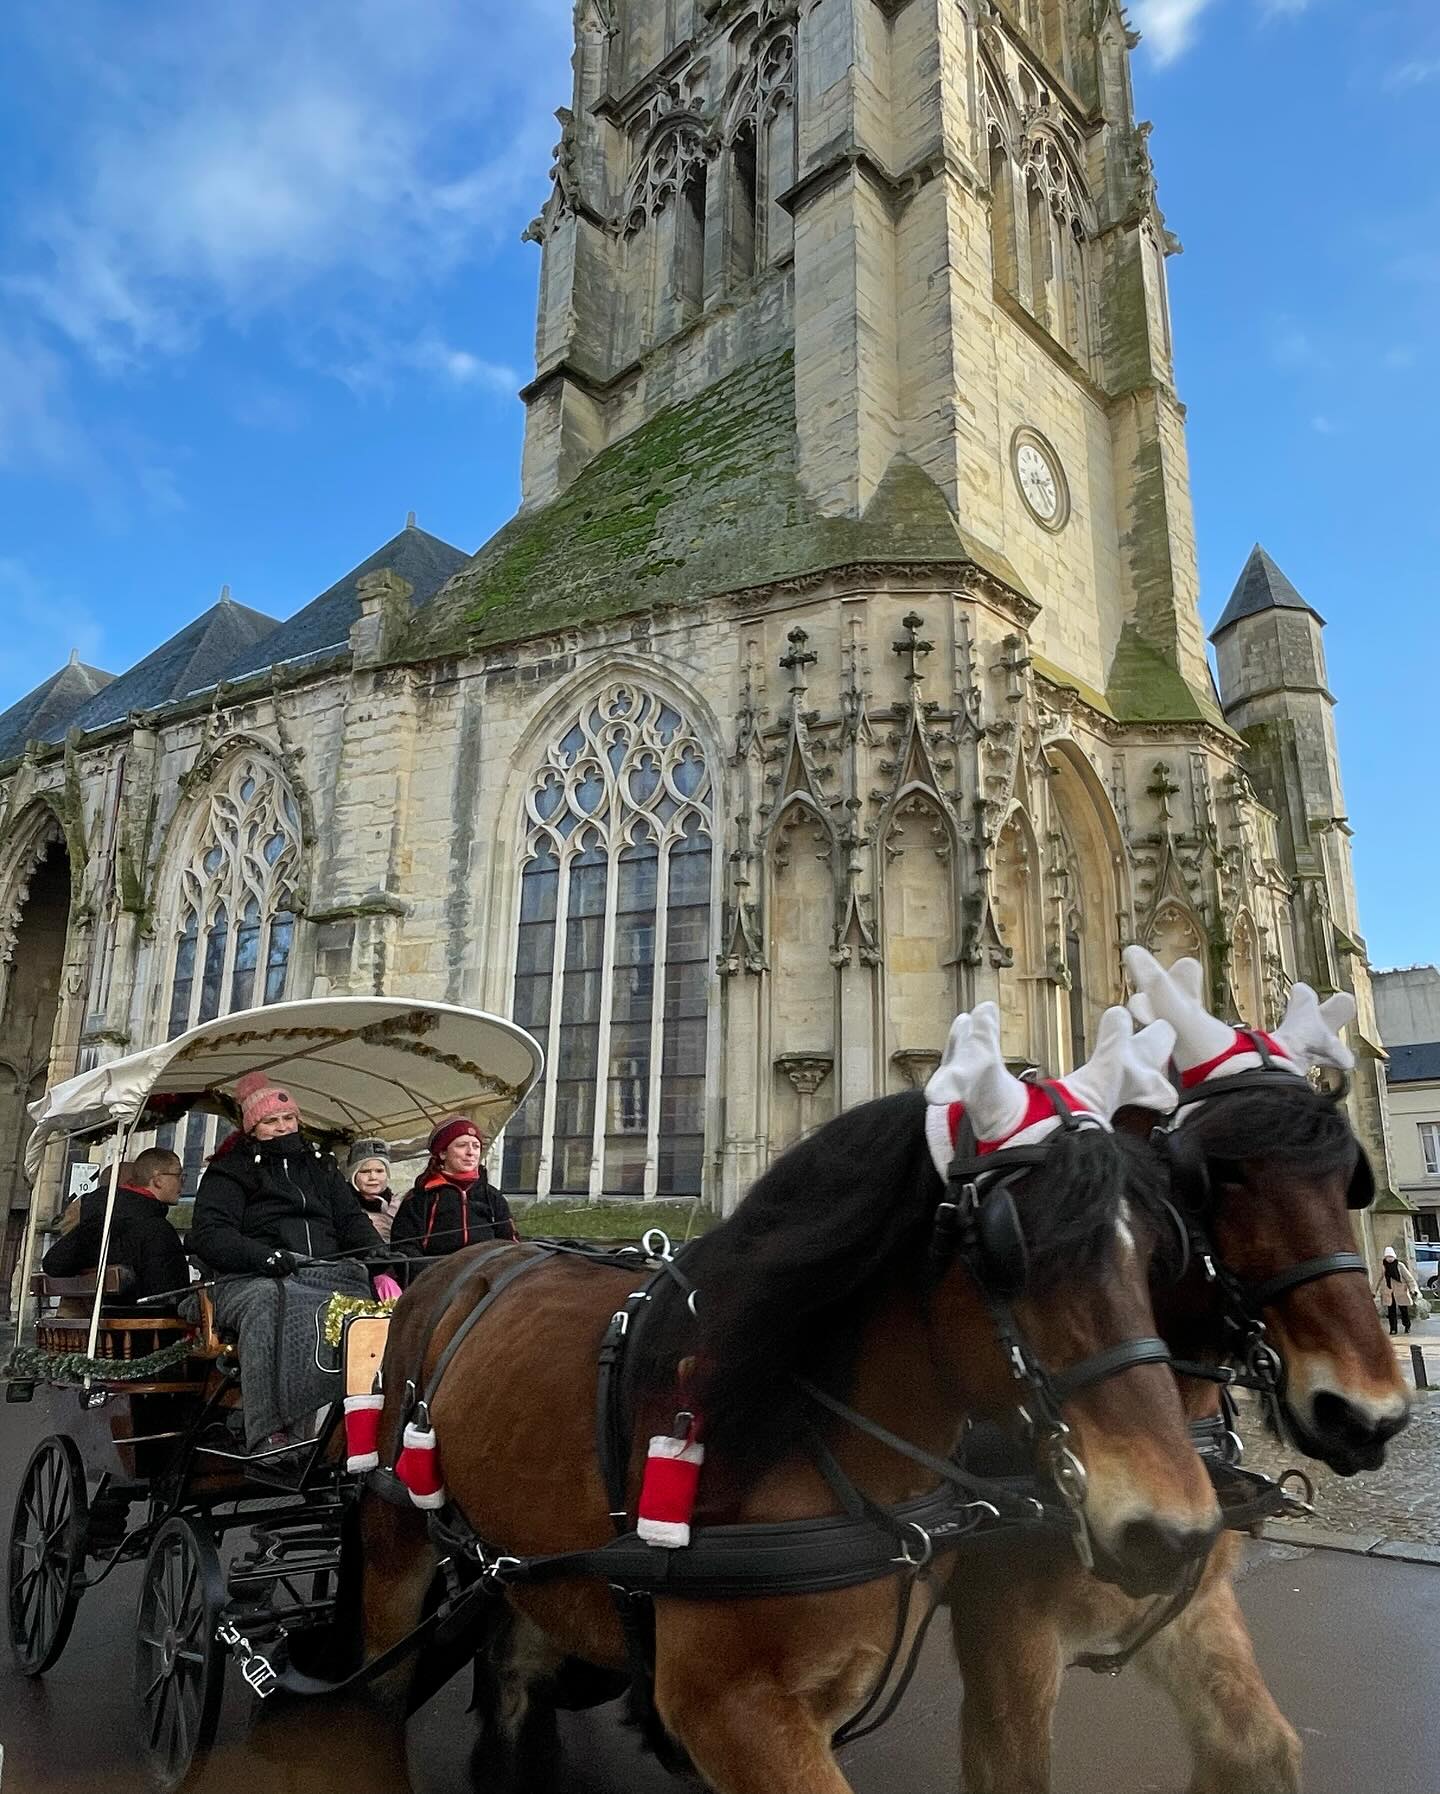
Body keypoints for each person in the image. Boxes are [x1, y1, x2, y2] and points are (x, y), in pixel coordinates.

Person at [188, 1072, 403, 1451]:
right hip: (248, 1278)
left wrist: (376, 1252)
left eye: (289, 1119)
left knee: (378, 1305)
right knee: (274, 1302)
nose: (283, 1128)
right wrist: (264, 1256)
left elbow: (350, 1220)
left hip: (325, 1273)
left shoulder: (320, 1167)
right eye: (271, 1121)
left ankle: (373, 1415)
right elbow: (211, 1235)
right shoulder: (230, 1171)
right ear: (253, 1127)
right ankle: (270, 1430)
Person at [43, 1147, 190, 1307]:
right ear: (157, 1179)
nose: (182, 1182)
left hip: (88, 1323)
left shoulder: (95, 1216)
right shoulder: (156, 1228)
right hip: (140, 1325)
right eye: (178, 1175)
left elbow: (53, 1263)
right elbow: (171, 1294)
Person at [390, 1116, 516, 1264]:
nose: (471, 1152)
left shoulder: (492, 1196)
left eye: (476, 1146)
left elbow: (510, 1243)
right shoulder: (419, 1198)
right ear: (442, 1153)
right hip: (436, 1278)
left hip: (487, 1275)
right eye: (462, 1145)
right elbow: (404, 1248)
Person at [346, 1139, 403, 1244]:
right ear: (353, 1176)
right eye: (365, 1171)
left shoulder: (400, 1205)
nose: (373, 1177)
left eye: (379, 1171)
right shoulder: (343, 1206)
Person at [1374, 1246, 1421, 1337]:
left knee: (1404, 1310)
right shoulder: (1383, 1267)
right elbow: (1377, 1280)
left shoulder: (1400, 1266)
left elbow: (1409, 1279)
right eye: (1388, 1257)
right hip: (1388, 1292)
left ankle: (1407, 1325)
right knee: (1391, 1312)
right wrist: (1373, 1291)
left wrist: (1413, 1289)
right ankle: (1393, 1329)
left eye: (1391, 1257)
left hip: (1401, 1291)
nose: (1389, 1259)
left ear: (1394, 1257)